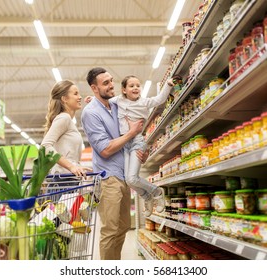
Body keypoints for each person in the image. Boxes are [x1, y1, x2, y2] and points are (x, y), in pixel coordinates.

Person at [85, 75, 174, 217]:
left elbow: (159, 99)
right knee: (129, 180)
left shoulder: (144, 102)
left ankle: (156, 192)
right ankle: (147, 196)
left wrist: (168, 85)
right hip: (124, 144)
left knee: (132, 178)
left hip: (137, 141)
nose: (135, 88)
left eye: (138, 85)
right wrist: (91, 99)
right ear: (124, 90)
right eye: (131, 86)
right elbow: (102, 101)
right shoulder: (118, 100)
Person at [81, 67, 146, 260]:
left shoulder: (116, 105)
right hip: (108, 177)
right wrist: (131, 133)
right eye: (105, 83)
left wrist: (140, 147)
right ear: (94, 88)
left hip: (124, 173)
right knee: (110, 230)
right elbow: (105, 149)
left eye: (111, 81)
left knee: (124, 225)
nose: (111, 86)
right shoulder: (90, 113)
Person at [41, 79, 92, 180]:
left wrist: (76, 165)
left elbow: (66, 152)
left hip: (67, 178)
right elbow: (45, 146)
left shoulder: (68, 121)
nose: (80, 97)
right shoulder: (64, 117)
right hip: (64, 179)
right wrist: (71, 166)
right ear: (64, 99)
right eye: (75, 94)